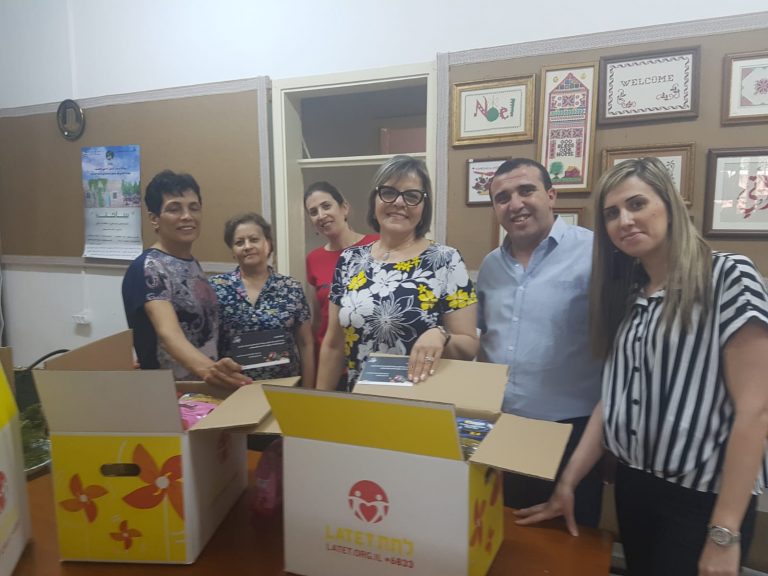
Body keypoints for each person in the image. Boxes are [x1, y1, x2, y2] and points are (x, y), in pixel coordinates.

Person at [516, 158, 768, 576]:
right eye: (612, 214)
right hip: (635, 486)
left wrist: (725, 532)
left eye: (637, 204)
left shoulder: (728, 276)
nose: (625, 221)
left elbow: (755, 411)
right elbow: (611, 401)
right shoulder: (630, 293)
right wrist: (568, 483)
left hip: (703, 498)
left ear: (669, 204)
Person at [476, 158, 604, 527]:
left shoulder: (595, 253)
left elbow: (620, 349)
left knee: (566, 543)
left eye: (526, 190)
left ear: (551, 195)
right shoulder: (490, 267)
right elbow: (483, 341)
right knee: (506, 534)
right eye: (502, 197)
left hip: (571, 433)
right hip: (504, 427)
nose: (515, 204)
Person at [316, 155, 478, 391]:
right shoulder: (349, 260)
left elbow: (470, 345)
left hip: (420, 401)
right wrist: (319, 402)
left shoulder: (445, 260)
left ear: (424, 207)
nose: (399, 202)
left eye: (412, 196)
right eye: (389, 192)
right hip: (360, 400)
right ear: (374, 200)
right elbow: (333, 345)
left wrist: (441, 335)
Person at [122, 170, 250, 388]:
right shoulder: (149, 267)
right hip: (169, 395)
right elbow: (169, 335)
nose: (187, 216)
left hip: (202, 391)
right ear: (154, 219)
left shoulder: (191, 263)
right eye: (174, 209)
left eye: (193, 207)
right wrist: (213, 372)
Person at [210, 212, 315, 387]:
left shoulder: (290, 288)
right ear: (233, 251)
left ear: (268, 244)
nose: (247, 246)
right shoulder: (216, 288)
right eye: (239, 242)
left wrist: (308, 390)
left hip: (284, 387)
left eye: (254, 239)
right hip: (234, 388)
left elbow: (305, 343)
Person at [304, 181, 378, 364]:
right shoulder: (313, 259)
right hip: (331, 361)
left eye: (326, 206)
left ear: (344, 208)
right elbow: (318, 319)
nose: (321, 215)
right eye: (313, 212)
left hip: (371, 359)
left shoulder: (377, 246)